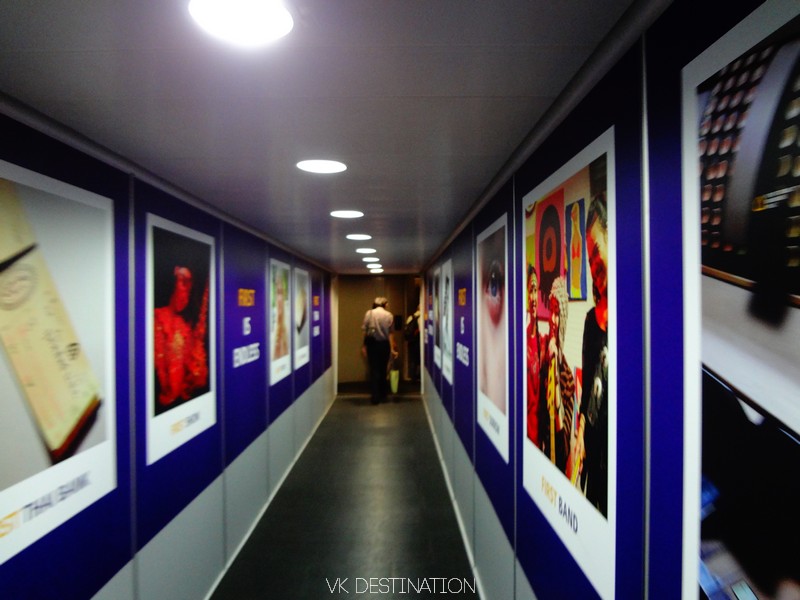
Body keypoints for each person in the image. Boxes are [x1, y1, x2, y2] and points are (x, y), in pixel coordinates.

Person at [580, 192, 609, 516]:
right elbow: (588, 388)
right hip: (593, 466)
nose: (594, 266)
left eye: (596, 252)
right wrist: (580, 435)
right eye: (589, 260)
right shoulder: (591, 321)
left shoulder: (633, 323)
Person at [154, 265, 209, 409]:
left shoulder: (187, 325)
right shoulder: (157, 318)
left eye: (189, 283)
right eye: (182, 281)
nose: (185, 290)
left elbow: (197, 378)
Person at [538, 276, 575, 472]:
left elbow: (563, 447)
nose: (552, 320)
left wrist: (557, 385)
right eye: (551, 311)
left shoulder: (568, 377)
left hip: (556, 467)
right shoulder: (542, 354)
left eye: (557, 313)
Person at [362, 297, 397, 404]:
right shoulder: (389, 315)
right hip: (384, 345)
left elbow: (365, 331)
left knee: (374, 370)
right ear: (384, 304)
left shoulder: (369, 313)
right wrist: (392, 349)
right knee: (383, 369)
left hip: (372, 345)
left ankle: (375, 397)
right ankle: (383, 395)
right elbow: (391, 333)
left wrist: (364, 346)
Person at [526, 264, 544, 447]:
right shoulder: (521, 340)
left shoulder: (542, 341)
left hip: (540, 439)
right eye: (530, 291)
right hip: (525, 435)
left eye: (535, 291)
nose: (533, 298)